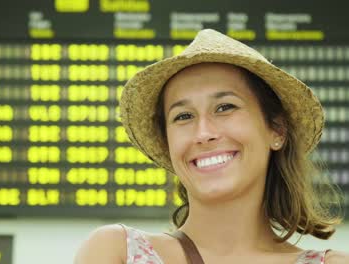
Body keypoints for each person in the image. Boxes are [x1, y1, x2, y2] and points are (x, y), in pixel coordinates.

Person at [74, 29, 349, 263]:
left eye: (225, 107)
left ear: (276, 130)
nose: (203, 133)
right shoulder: (117, 251)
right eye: (183, 116)